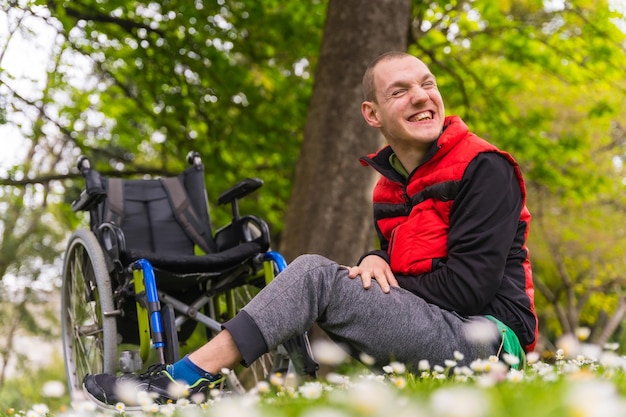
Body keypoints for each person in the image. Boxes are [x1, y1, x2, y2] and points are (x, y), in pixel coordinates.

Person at [83, 51, 538, 406]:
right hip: (439, 329)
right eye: (399, 91)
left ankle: (182, 379)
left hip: (491, 342)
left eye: (427, 84)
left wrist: (372, 275)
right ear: (373, 114)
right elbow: (410, 261)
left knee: (316, 275)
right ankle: (201, 378)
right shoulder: (388, 189)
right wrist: (375, 259)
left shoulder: (485, 168)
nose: (421, 96)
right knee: (323, 278)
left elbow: (468, 288)